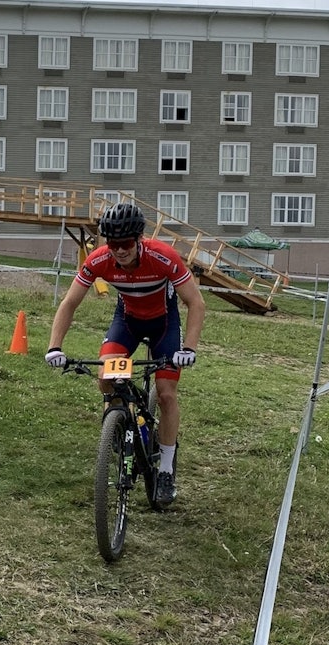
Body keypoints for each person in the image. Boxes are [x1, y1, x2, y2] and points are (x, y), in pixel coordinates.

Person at [44, 203, 206, 505]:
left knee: (167, 393)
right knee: (107, 378)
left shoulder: (163, 257)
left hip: (164, 325)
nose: (119, 250)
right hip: (127, 322)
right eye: (113, 244)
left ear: (138, 239)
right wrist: (55, 347)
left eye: (125, 244)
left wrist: (189, 349)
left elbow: (196, 304)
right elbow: (69, 303)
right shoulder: (99, 260)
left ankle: (166, 469)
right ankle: (121, 425)